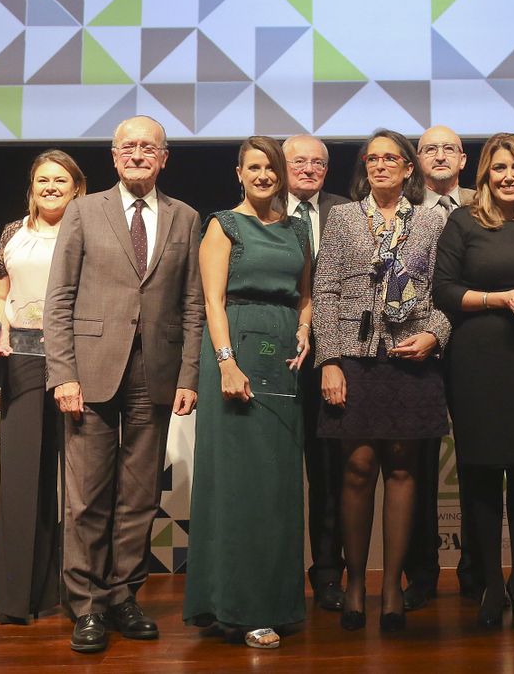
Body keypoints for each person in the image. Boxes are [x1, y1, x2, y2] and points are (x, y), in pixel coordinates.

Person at [44, 116, 203, 654]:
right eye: (128, 146)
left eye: (148, 147)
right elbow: (59, 299)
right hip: (90, 373)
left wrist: (188, 375)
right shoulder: (84, 211)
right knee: (86, 498)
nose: (138, 154)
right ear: (114, 157)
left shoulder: (185, 218)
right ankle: (85, 605)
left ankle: (122, 596)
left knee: (138, 498)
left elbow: (192, 304)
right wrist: (62, 374)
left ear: (164, 158)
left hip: (154, 375)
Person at [313, 128, 452, 633]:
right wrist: (329, 358)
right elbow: (324, 288)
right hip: (354, 358)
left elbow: (447, 292)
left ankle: (393, 585)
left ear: (409, 167)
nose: (380, 166)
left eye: (391, 158)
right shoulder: (345, 217)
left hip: (410, 357)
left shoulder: (433, 221)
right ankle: (355, 583)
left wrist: (434, 336)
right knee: (357, 468)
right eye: (372, 159)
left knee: (402, 468)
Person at [432, 132, 514, 629]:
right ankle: (491, 583)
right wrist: (498, 299)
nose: (508, 177)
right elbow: (444, 290)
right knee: (482, 477)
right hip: (477, 360)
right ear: (484, 174)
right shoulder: (463, 221)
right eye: (498, 168)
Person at [184, 137, 313, 649]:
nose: (263, 175)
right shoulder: (223, 224)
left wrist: (305, 329)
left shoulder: (297, 228)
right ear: (239, 172)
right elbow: (212, 300)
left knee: (277, 486)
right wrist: (225, 363)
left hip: (283, 357)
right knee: (239, 486)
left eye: (271, 168)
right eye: (254, 167)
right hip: (233, 354)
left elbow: (305, 296)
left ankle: (276, 601)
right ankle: (238, 606)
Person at [0, 150, 88, 624]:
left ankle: (70, 594)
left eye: (60, 180)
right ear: (32, 186)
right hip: (22, 362)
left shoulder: (90, 228)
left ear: (76, 187)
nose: (50, 187)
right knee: (25, 477)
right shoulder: (12, 233)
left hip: (79, 362)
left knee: (79, 482)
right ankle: (16, 598)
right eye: (42, 179)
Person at [405, 123, 478, 610]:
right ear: (417, 159)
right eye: (429, 149)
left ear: (463, 159)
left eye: (448, 148)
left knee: (478, 460)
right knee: (416, 465)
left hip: (478, 348)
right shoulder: (400, 208)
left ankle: (477, 571)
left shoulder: (488, 201)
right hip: (417, 351)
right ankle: (421, 573)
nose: (439, 156)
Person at [283, 133, 350, 613]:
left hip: (336, 362)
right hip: (275, 357)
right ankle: (275, 574)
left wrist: (334, 357)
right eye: (298, 161)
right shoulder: (256, 208)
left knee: (330, 476)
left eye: (317, 163)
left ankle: (328, 574)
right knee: (277, 475)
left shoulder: (348, 212)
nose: (308, 169)